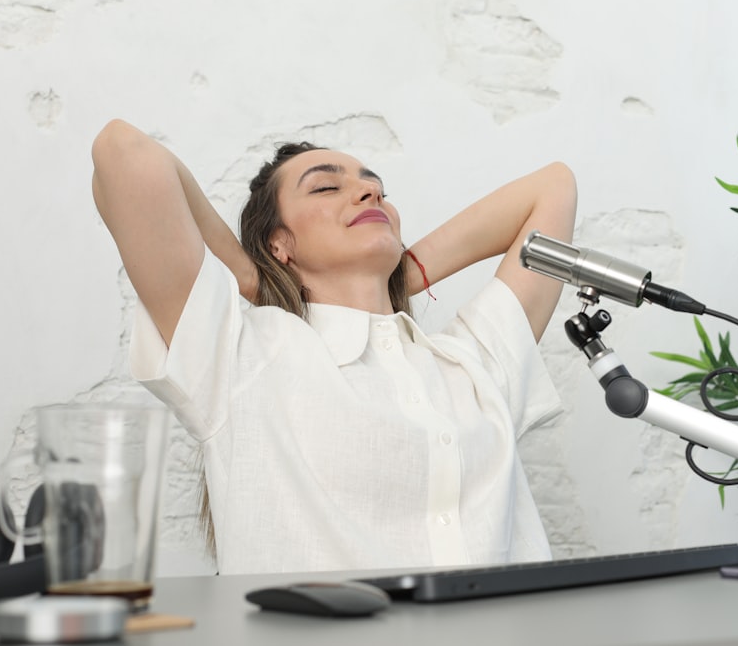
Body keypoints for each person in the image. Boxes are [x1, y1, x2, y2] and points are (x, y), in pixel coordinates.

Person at [91, 119, 578, 574]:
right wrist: (249, 276)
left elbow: (554, 187)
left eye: (378, 190)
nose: (369, 192)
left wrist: (403, 274)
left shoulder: (472, 365)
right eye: (327, 187)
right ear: (280, 243)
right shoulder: (241, 357)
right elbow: (123, 153)